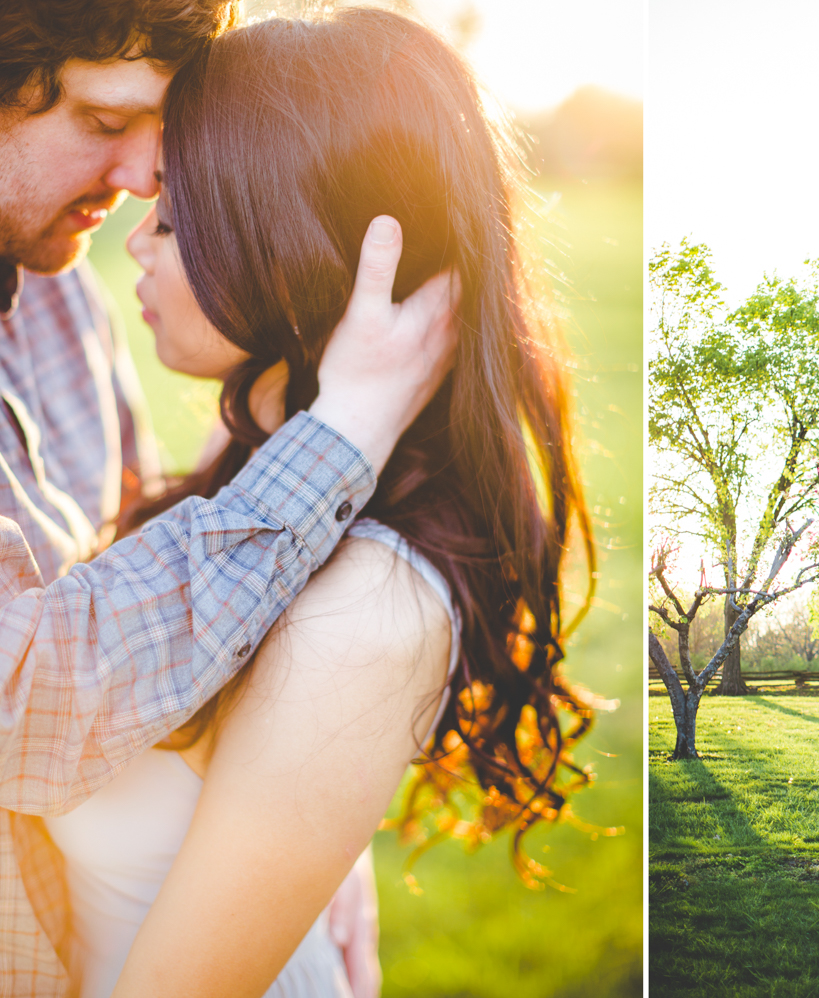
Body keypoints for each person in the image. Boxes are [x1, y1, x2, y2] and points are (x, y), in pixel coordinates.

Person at [43, 7, 596, 997]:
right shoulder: (257, 471)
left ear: (289, 249)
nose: (138, 241)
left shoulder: (366, 610)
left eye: (176, 214)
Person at [0, 1, 455, 990]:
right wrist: (333, 438)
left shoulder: (55, 281)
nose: (139, 183)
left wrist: (299, 813)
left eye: (164, 157)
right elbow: (17, 692)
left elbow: (124, 555)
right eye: (103, 122)